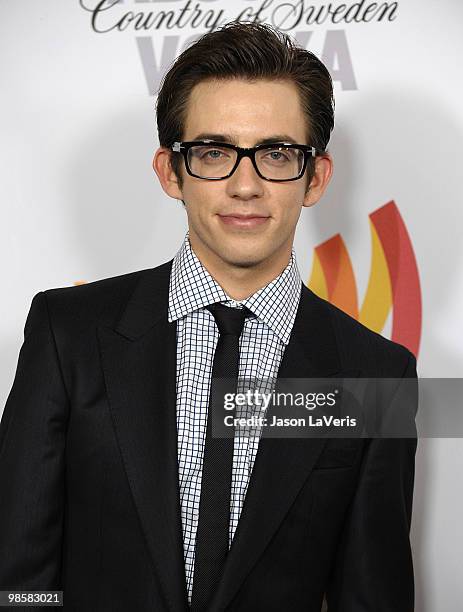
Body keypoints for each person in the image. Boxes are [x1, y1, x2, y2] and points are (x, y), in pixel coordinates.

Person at [0, 21, 417, 612]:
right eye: (214, 153)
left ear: (316, 176)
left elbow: (373, 595)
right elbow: (18, 572)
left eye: (276, 154)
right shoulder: (66, 333)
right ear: (171, 172)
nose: (245, 186)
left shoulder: (378, 376)